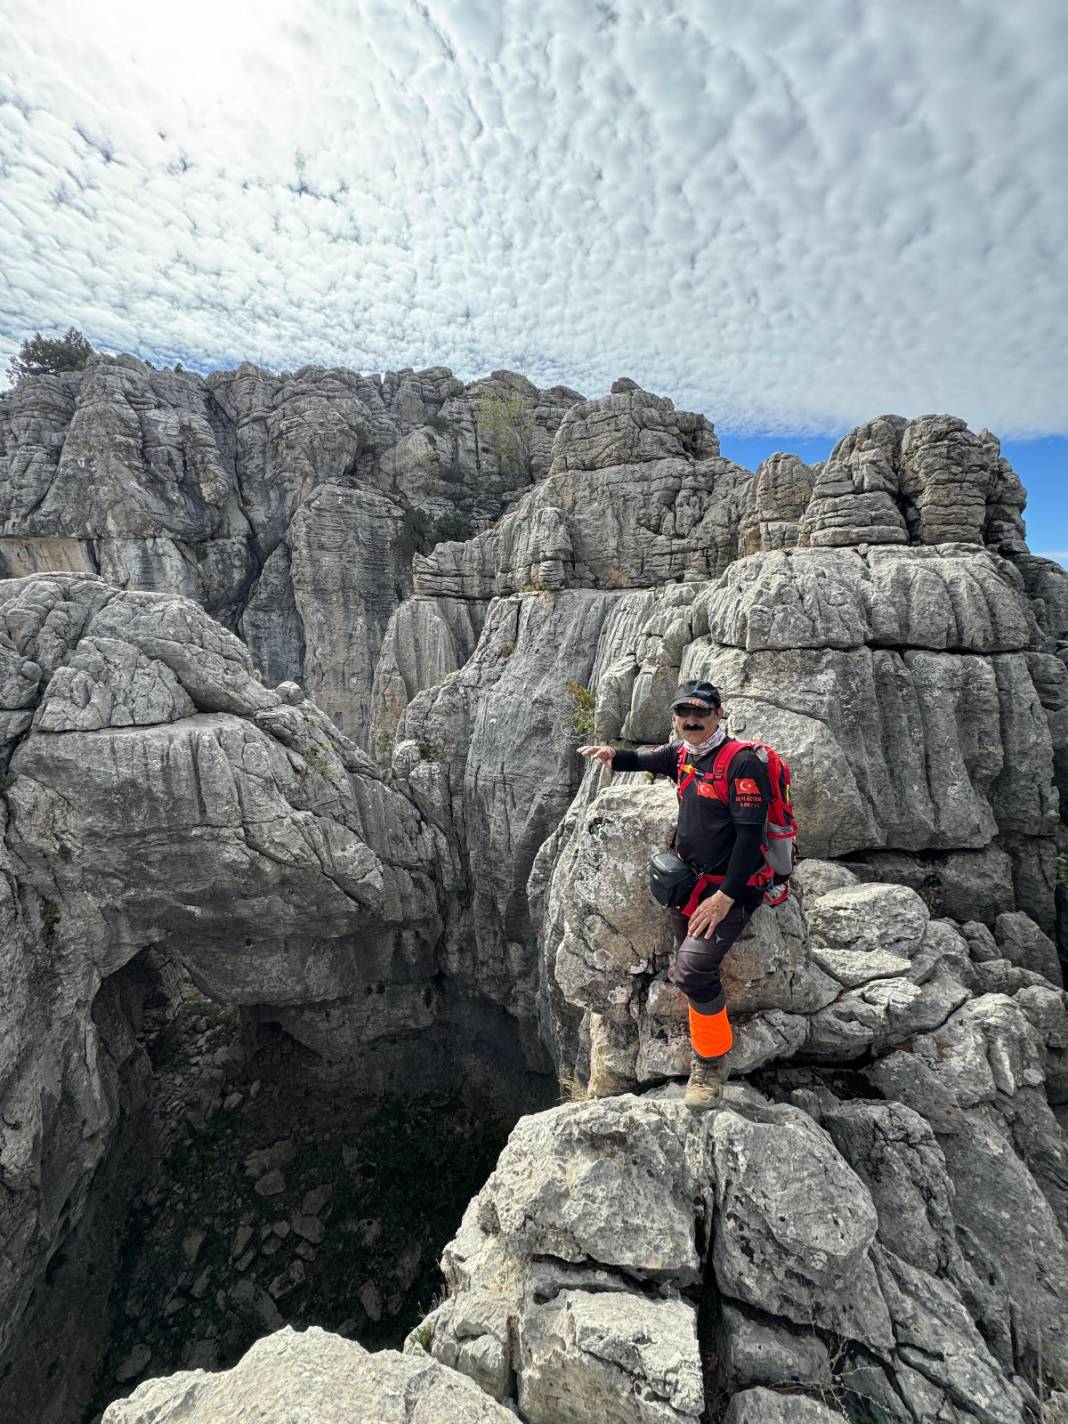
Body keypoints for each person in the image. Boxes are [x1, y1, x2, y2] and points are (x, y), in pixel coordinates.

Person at [577, 679, 771, 1109]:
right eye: (683, 713)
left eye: (701, 713)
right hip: (692, 885)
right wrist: (613, 755)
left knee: (693, 973)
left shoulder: (739, 764)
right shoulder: (684, 756)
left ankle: (710, 1064)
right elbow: (644, 757)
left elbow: (749, 838)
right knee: (687, 965)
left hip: (730, 889)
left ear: (719, 715)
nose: (691, 720)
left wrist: (725, 899)